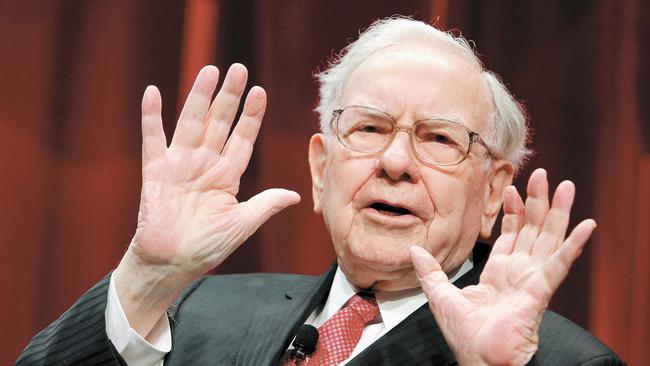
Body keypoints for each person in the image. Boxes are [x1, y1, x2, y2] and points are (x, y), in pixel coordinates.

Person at [18, 17, 624, 365]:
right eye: (368, 128)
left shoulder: (567, 362)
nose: (394, 162)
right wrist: (146, 279)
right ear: (319, 168)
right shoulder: (193, 313)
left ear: (493, 192)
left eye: (438, 139)